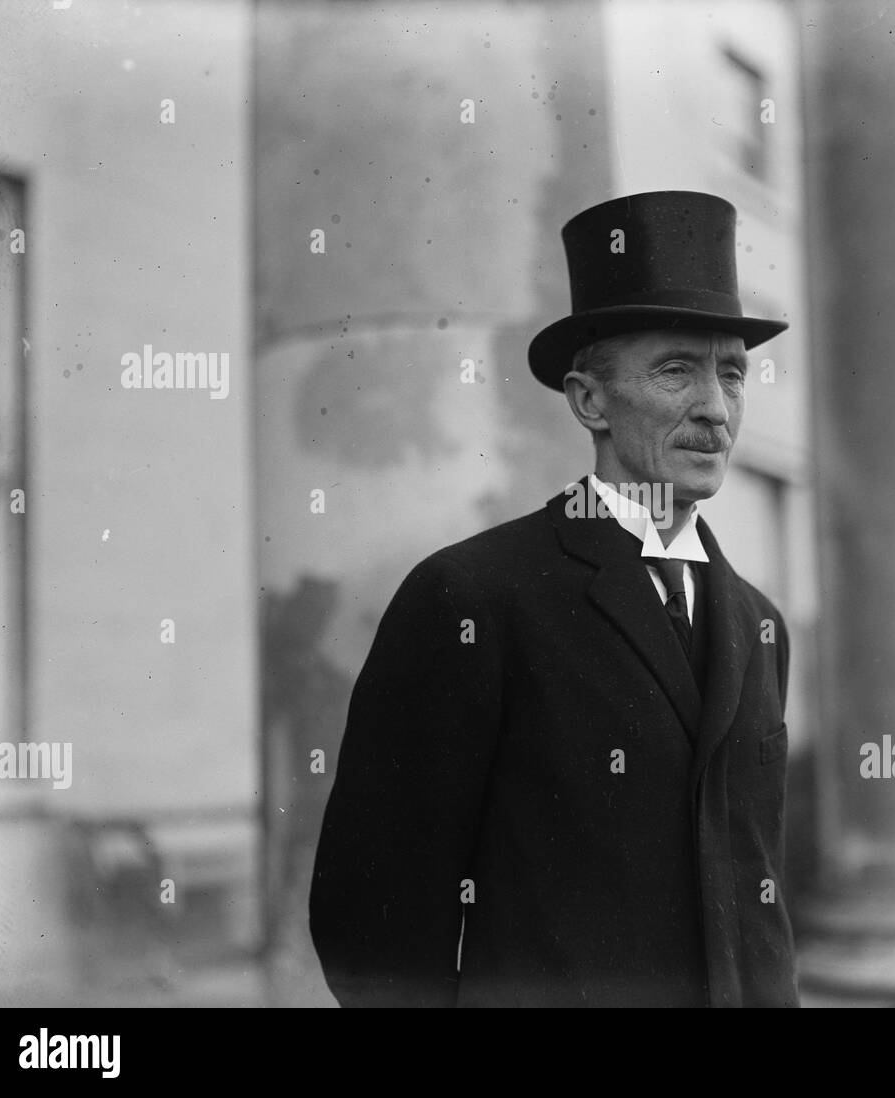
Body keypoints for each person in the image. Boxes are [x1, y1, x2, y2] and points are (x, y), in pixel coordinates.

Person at [309, 190, 797, 1007]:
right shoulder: (473, 599)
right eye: (677, 369)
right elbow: (376, 911)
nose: (715, 408)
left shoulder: (761, 626)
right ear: (590, 401)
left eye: (732, 373)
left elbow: (760, 895)